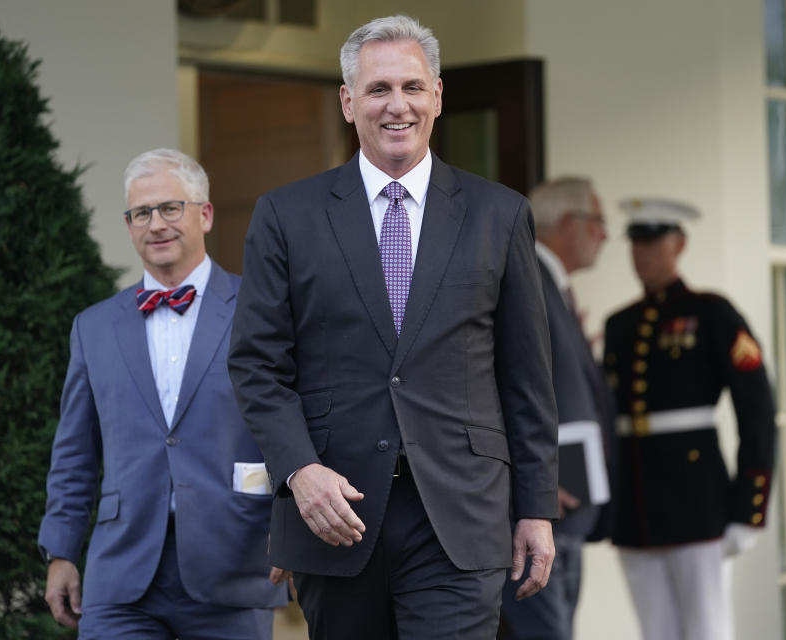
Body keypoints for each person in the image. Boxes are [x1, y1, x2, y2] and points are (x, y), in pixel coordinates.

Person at [227, 15, 559, 640]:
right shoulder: (286, 216)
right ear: (348, 103)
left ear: (437, 95)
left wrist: (537, 509)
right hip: (336, 512)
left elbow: (527, 379)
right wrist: (299, 471)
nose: (396, 105)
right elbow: (256, 366)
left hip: (461, 514)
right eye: (378, 90)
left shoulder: (500, 214)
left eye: (411, 87)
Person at [38, 149, 286, 639]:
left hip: (233, 562)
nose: (157, 224)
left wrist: (294, 527)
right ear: (129, 225)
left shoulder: (262, 311)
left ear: (205, 214)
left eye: (171, 208)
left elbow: (291, 425)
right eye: (142, 213)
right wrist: (61, 551)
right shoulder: (93, 327)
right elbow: (74, 453)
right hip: (121, 574)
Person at [602, 198, 776, 640]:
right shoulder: (620, 324)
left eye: (653, 241)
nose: (641, 252)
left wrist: (748, 508)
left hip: (698, 500)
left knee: (706, 629)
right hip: (635, 503)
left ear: (679, 244)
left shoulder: (711, 313)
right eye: (636, 242)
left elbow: (757, 411)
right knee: (655, 631)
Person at [499, 177, 617, 639]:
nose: (605, 236)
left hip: (563, 513)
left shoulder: (552, 285)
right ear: (568, 223)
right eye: (598, 223)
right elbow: (497, 384)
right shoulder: (527, 278)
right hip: (540, 508)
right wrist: (528, 480)